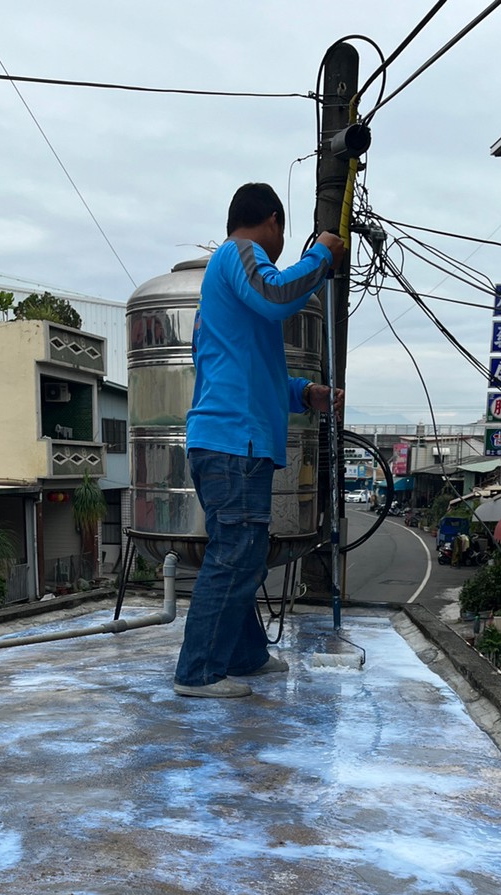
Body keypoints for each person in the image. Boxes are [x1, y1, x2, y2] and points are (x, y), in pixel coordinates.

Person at [173, 182, 346, 698]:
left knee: (242, 551)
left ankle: (244, 656)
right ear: (272, 221)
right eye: (283, 232)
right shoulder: (240, 253)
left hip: (228, 438)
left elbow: (249, 373)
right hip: (233, 443)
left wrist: (303, 393)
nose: (280, 243)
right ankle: (198, 671)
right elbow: (277, 297)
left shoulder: (224, 286)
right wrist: (321, 255)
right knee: (237, 552)